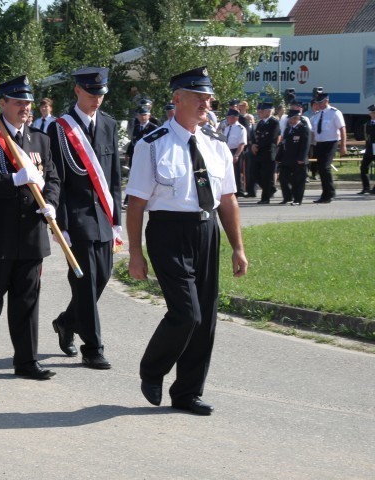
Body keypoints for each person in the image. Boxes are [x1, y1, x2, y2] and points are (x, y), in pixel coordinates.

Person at [125, 66, 248, 416]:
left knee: (205, 317)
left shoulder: (216, 147)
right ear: (177, 99)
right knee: (187, 313)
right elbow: (136, 204)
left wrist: (237, 247)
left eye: (208, 98)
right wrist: (136, 254)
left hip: (206, 231)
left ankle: (188, 392)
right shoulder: (151, 146)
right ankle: (152, 368)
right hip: (168, 233)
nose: (206, 104)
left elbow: (227, 200)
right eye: (199, 97)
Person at [0, 75, 60, 380]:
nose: (25, 108)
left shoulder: (40, 140)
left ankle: (26, 360)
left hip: (31, 234)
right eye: (18, 102)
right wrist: (12, 181)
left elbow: (54, 179)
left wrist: (51, 203)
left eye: (28, 102)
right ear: (2, 103)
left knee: (27, 301)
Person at [47, 66, 121, 369]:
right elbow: (57, 178)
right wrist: (60, 225)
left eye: (100, 95)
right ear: (78, 91)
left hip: (102, 215)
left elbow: (114, 175)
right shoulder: (59, 129)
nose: (97, 100)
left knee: (102, 276)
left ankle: (66, 321)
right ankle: (93, 347)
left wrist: (116, 217)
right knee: (85, 280)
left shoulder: (109, 124)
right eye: (91, 94)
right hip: (76, 217)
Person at [310, 91, 346, 203]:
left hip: (331, 143)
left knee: (325, 167)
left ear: (326, 101)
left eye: (320, 102)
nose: (318, 105)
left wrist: (343, 146)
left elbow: (342, 129)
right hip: (319, 144)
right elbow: (312, 131)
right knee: (320, 169)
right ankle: (326, 193)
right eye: (317, 102)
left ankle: (329, 193)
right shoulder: (316, 115)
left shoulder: (335, 112)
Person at [278, 108, 311, 205]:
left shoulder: (303, 129)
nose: (289, 120)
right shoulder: (288, 129)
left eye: (291, 118)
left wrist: (301, 158)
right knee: (283, 178)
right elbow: (283, 144)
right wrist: (279, 157)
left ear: (297, 118)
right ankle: (287, 197)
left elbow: (306, 144)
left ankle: (297, 199)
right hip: (287, 158)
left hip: (298, 159)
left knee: (298, 181)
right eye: (289, 118)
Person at [251, 101, 281, 204]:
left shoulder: (274, 122)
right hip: (259, 152)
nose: (259, 113)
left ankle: (265, 198)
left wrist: (258, 145)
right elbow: (256, 136)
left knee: (266, 176)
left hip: (268, 152)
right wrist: (254, 144)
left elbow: (272, 138)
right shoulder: (260, 123)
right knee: (256, 175)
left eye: (262, 111)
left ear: (269, 111)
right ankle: (270, 189)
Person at [219, 109, 248, 196]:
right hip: (227, 150)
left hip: (236, 150)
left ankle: (239, 190)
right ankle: (230, 189)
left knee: (237, 172)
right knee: (228, 171)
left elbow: (242, 143)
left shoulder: (241, 128)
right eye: (227, 117)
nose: (227, 119)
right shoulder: (227, 128)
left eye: (229, 117)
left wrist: (236, 155)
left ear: (235, 118)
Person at [360, 104, 375, 194]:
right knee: (364, 167)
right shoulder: (368, 123)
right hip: (369, 148)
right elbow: (367, 136)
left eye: (372, 112)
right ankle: (366, 187)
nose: (370, 114)